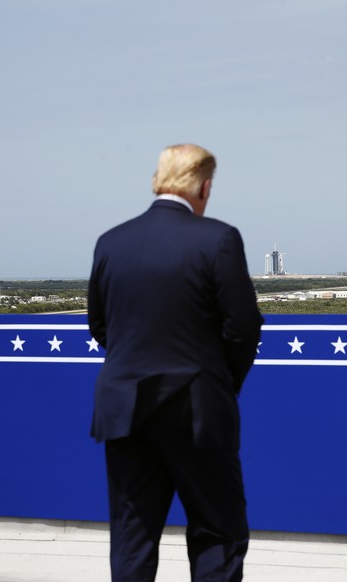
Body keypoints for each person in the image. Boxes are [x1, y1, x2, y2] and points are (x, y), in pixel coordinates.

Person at [87, 143, 264, 581]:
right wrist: (219, 382)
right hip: (197, 412)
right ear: (204, 186)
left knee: (132, 538)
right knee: (217, 533)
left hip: (126, 410)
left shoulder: (111, 242)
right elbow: (243, 328)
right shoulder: (218, 238)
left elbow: (100, 325)